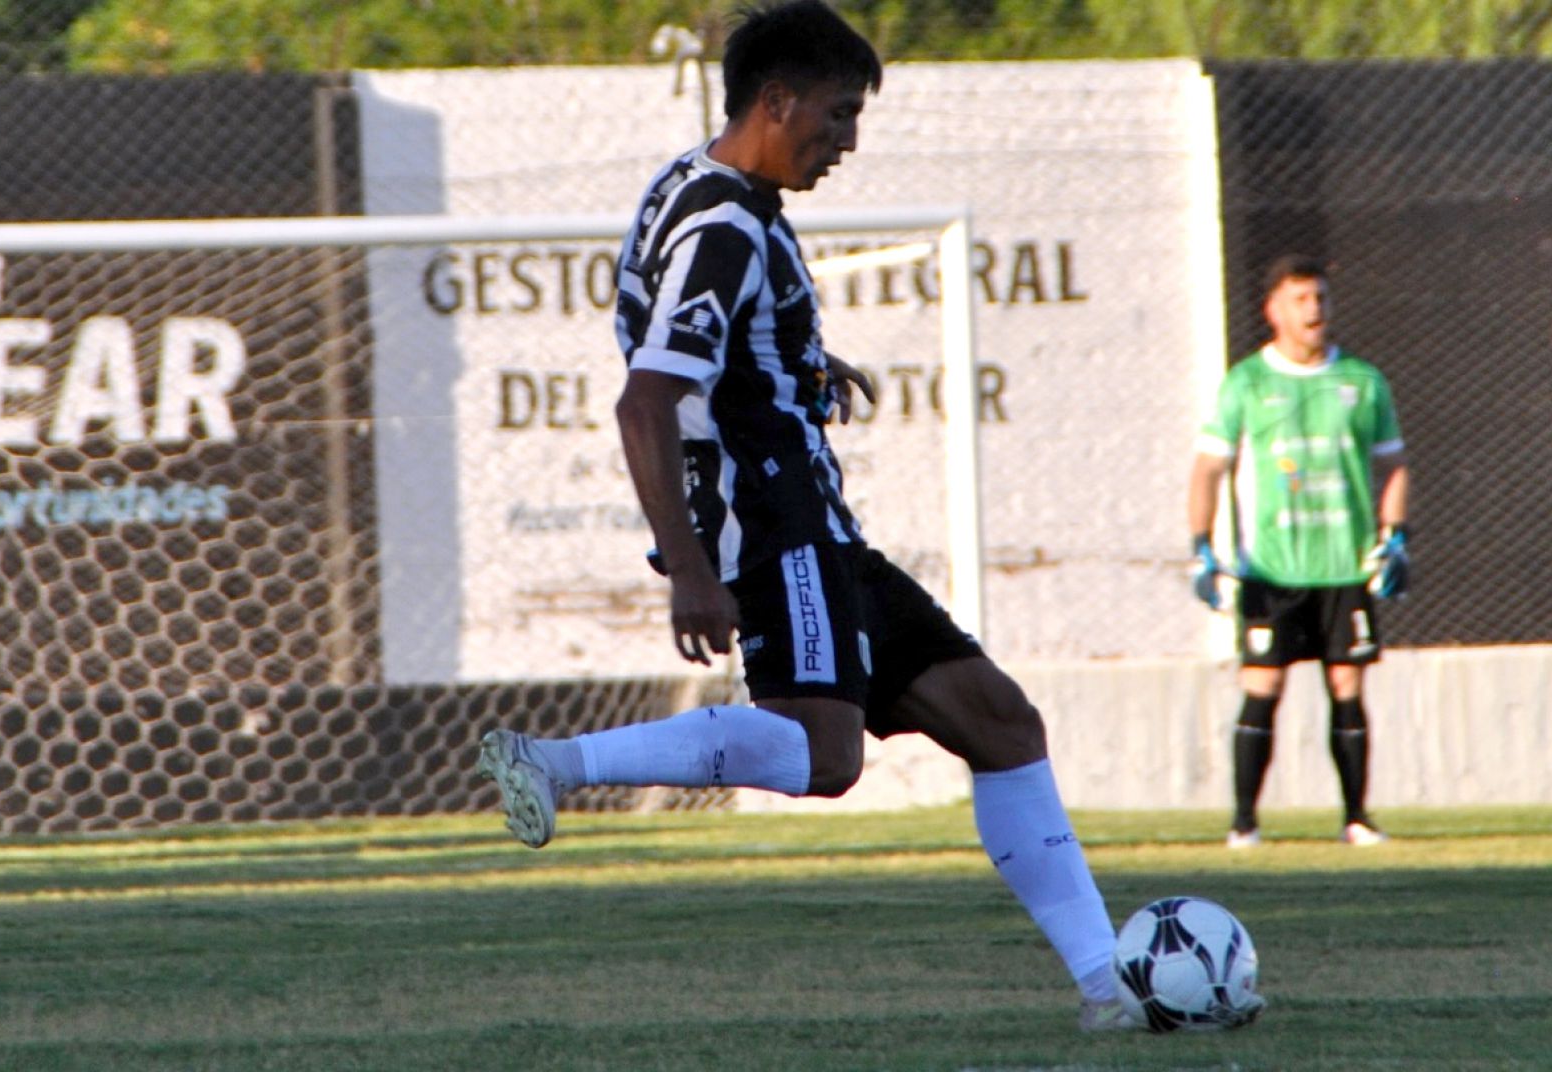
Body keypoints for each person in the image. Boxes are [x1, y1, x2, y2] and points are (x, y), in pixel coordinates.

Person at [475, 0, 1179, 1033]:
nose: (847, 141)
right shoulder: (722, 221)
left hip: (813, 518)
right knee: (823, 755)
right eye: (839, 116)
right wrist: (688, 564)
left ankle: (1106, 991)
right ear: (775, 100)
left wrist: (801, 364)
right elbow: (645, 397)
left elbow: (708, 349)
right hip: (769, 517)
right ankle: (552, 762)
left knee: (1000, 721)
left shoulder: (711, 190)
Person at [1188, 254, 1410, 850]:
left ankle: (1357, 818)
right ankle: (1243, 823)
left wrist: (1395, 535)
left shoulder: (1362, 382)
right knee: (1262, 685)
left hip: (1345, 564)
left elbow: (1391, 463)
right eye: (1300, 299)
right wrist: (1201, 549)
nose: (1314, 310)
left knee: (1347, 684)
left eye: (1320, 298)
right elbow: (1209, 468)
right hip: (1271, 568)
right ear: (1273, 310)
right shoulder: (1247, 383)